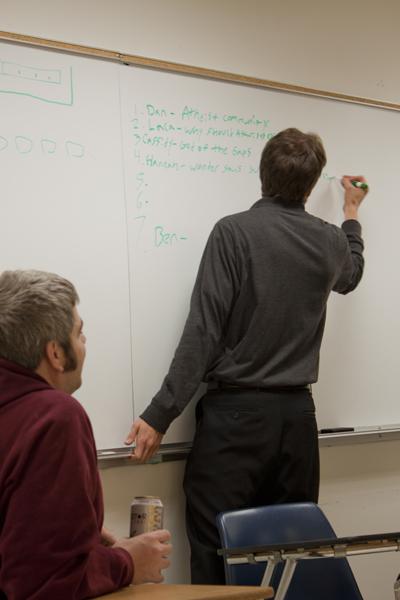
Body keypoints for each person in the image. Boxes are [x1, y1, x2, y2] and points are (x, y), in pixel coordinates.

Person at [125, 128, 368, 584]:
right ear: (312, 185)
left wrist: (160, 414)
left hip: (235, 423)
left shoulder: (233, 232)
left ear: (261, 175)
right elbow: (350, 274)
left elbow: (204, 329)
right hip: (297, 422)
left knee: (218, 553)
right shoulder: (330, 241)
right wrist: (351, 213)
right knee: (292, 557)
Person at [0, 270, 172, 600]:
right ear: (56, 353)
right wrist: (129, 561)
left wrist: (89, 537)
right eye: (80, 334)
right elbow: (46, 584)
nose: (84, 344)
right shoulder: (54, 416)